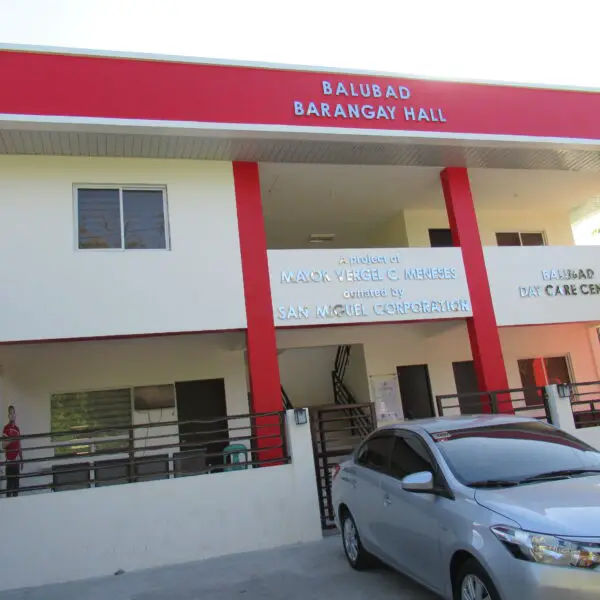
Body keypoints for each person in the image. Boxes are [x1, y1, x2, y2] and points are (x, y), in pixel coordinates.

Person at [2, 406, 23, 498]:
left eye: (13, 413)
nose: (12, 415)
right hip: (10, 462)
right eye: (10, 413)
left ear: (15, 415)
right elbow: (3, 445)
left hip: (17, 462)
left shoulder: (17, 429)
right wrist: (11, 439)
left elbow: (19, 445)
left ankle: (16, 509)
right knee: (9, 487)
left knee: (16, 487)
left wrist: (22, 459)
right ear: (8, 415)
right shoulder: (6, 428)